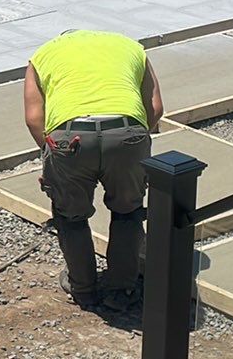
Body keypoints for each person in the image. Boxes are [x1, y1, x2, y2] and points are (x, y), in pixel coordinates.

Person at [23, 30, 163, 313]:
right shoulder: (132, 48)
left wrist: (52, 158)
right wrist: (129, 142)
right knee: (128, 212)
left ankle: (83, 288)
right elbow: (155, 108)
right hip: (127, 132)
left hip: (69, 137)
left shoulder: (43, 54)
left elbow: (33, 118)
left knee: (70, 216)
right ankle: (121, 290)